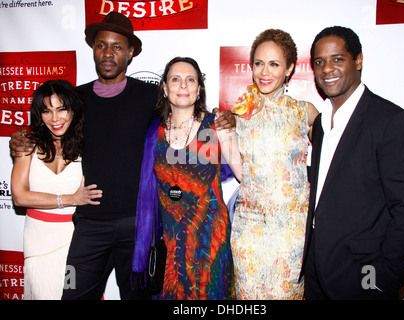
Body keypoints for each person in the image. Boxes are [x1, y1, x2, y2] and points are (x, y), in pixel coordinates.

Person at [9, 12, 235, 299]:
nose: (108, 53)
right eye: (102, 45)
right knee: (72, 293)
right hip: (89, 226)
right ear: (93, 49)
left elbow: (188, 111)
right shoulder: (76, 100)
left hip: (137, 226)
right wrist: (22, 136)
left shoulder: (151, 96)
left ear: (130, 54)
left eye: (117, 47)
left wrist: (225, 120)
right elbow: (49, 124)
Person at [302, 26, 404, 300]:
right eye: (319, 62)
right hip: (315, 275)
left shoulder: (392, 122)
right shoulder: (322, 126)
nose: (327, 69)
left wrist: (381, 279)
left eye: (338, 59)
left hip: (363, 277)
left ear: (358, 60)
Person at [132, 57, 241, 300]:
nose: (183, 85)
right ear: (164, 87)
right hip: (172, 244)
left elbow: (244, 175)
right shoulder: (153, 131)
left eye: (190, 79)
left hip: (210, 242)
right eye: (175, 79)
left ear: (199, 87)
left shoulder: (218, 125)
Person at [230, 29, 318, 300]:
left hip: (291, 232)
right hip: (248, 229)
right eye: (258, 63)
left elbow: (336, 159)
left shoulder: (305, 112)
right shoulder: (238, 114)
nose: (264, 72)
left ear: (290, 68)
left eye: (274, 64)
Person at [10, 79, 102, 299]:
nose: (55, 119)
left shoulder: (88, 146)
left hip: (76, 243)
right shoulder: (27, 144)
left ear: (73, 110)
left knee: (71, 294)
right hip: (39, 243)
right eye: (47, 111)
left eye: (62, 109)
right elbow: (19, 197)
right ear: (39, 115)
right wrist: (71, 199)